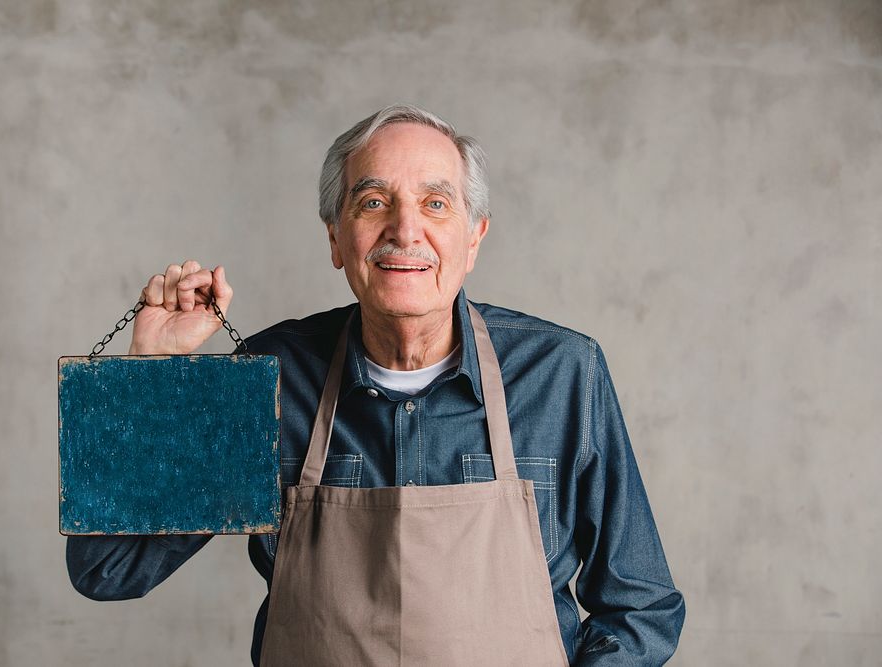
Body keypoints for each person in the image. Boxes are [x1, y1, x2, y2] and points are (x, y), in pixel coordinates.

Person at [66, 104, 685, 665]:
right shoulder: (270, 379)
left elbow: (641, 609)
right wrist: (148, 374)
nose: (405, 230)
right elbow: (108, 568)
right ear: (336, 237)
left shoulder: (561, 373)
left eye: (436, 204)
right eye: (372, 202)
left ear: (474, 238)